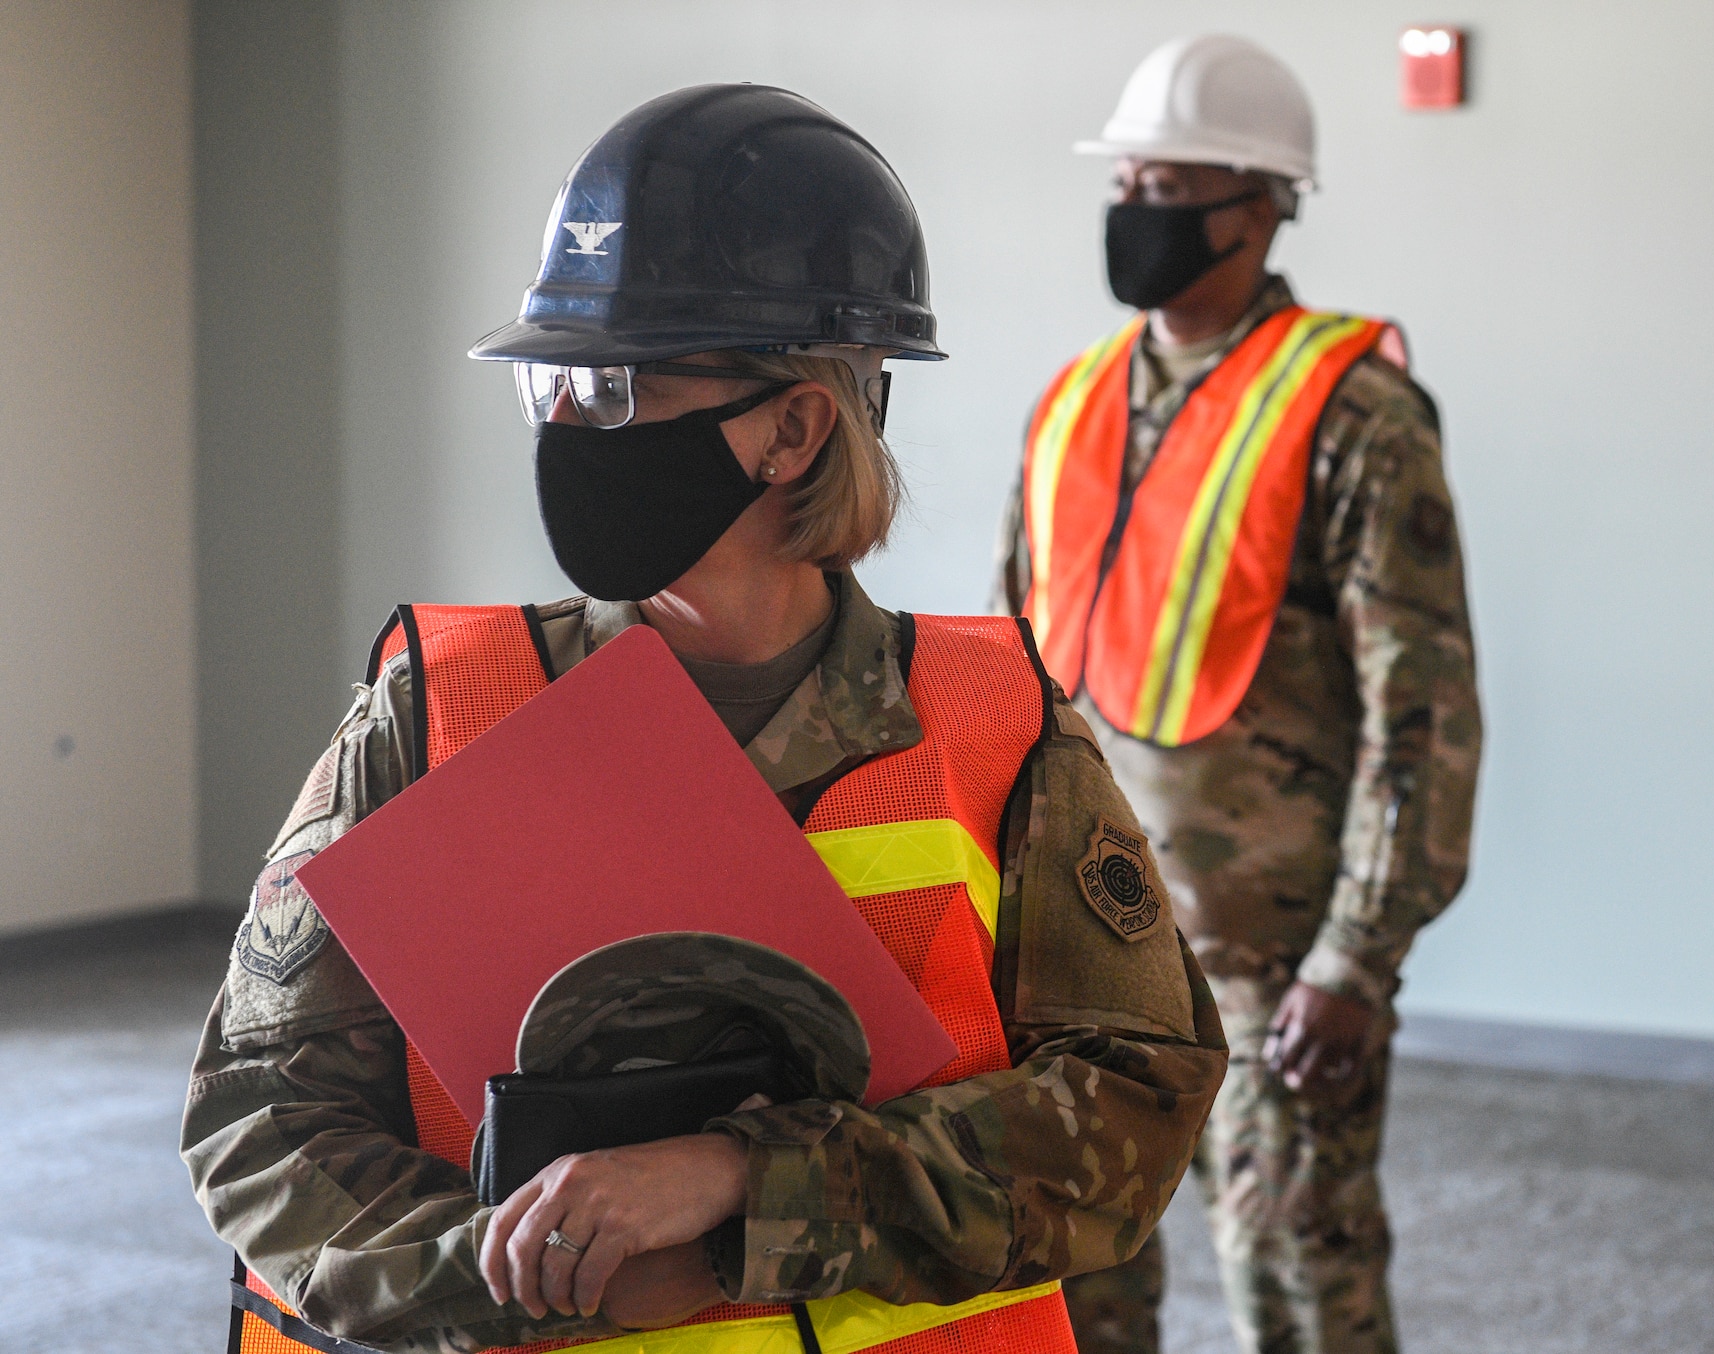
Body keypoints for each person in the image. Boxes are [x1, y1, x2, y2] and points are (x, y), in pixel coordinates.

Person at [183, 84, 1226, 1354]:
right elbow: (263, 1113)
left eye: (615, 388)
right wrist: (529, 1277)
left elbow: (1134, 1103)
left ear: (792, 426)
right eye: (552, 382)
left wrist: (742, 1185)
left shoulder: (993, 724)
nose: (565, 422)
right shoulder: (443, 705)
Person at [993, 35, 1482, 1354]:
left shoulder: (1358, 413)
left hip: (1271, 964)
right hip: (1075, 959)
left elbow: (1422, 714)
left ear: (1261, 205)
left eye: (1170, 187)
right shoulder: (1071, 405)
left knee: (1301, 1289)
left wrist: (1357, 959)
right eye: (1128, 182)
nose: (1135, 211)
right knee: (1068, 1295)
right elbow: (1010, 683)